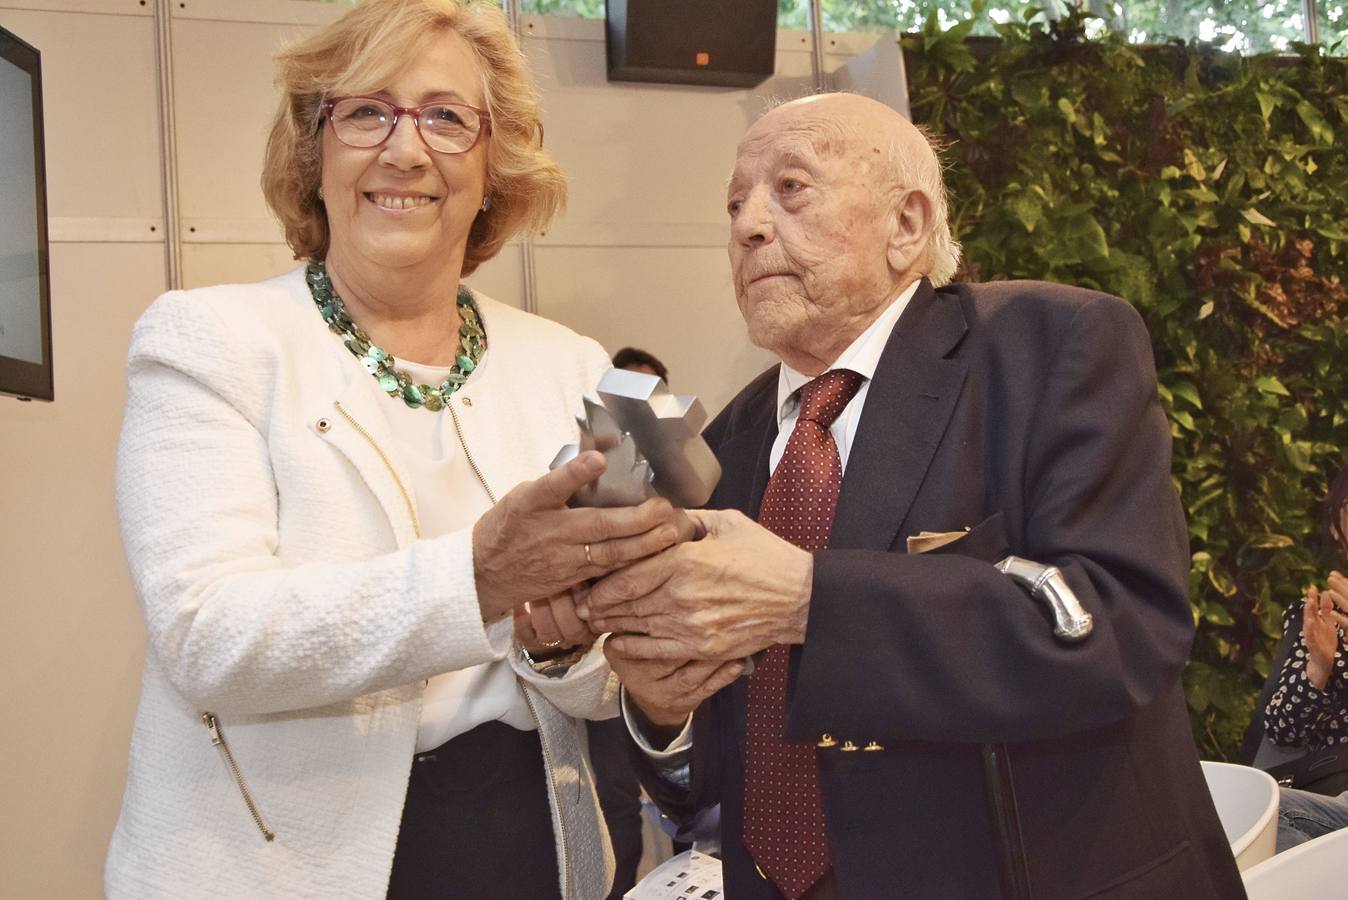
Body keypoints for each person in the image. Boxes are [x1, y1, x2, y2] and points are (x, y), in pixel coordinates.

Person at [577, 93, 1245, 898]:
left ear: (908, 223)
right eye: (734, 204)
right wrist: (662, 713)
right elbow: (717, 779)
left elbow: (1124, 626)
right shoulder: (728, 444)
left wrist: (806, 599)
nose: (749, 226)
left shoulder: (1052, 348)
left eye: (790, 188)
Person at [103, 2, 690, 897]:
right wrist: (481, 579)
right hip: (283, 862)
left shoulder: (569, 362)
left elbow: (601, 676)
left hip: (529, 848)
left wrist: (562, 654)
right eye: (367, 111)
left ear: (494, 167)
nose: (406, 151)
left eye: (448, 118)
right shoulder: (209, 340)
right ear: (315, 148)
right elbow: (205, 636)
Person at [1264, 462, 1348, 850]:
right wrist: (1318, 666)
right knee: (1262, 815)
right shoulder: (1322, 613)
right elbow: (1281, 730)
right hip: (1332, 791)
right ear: (1337, 524)